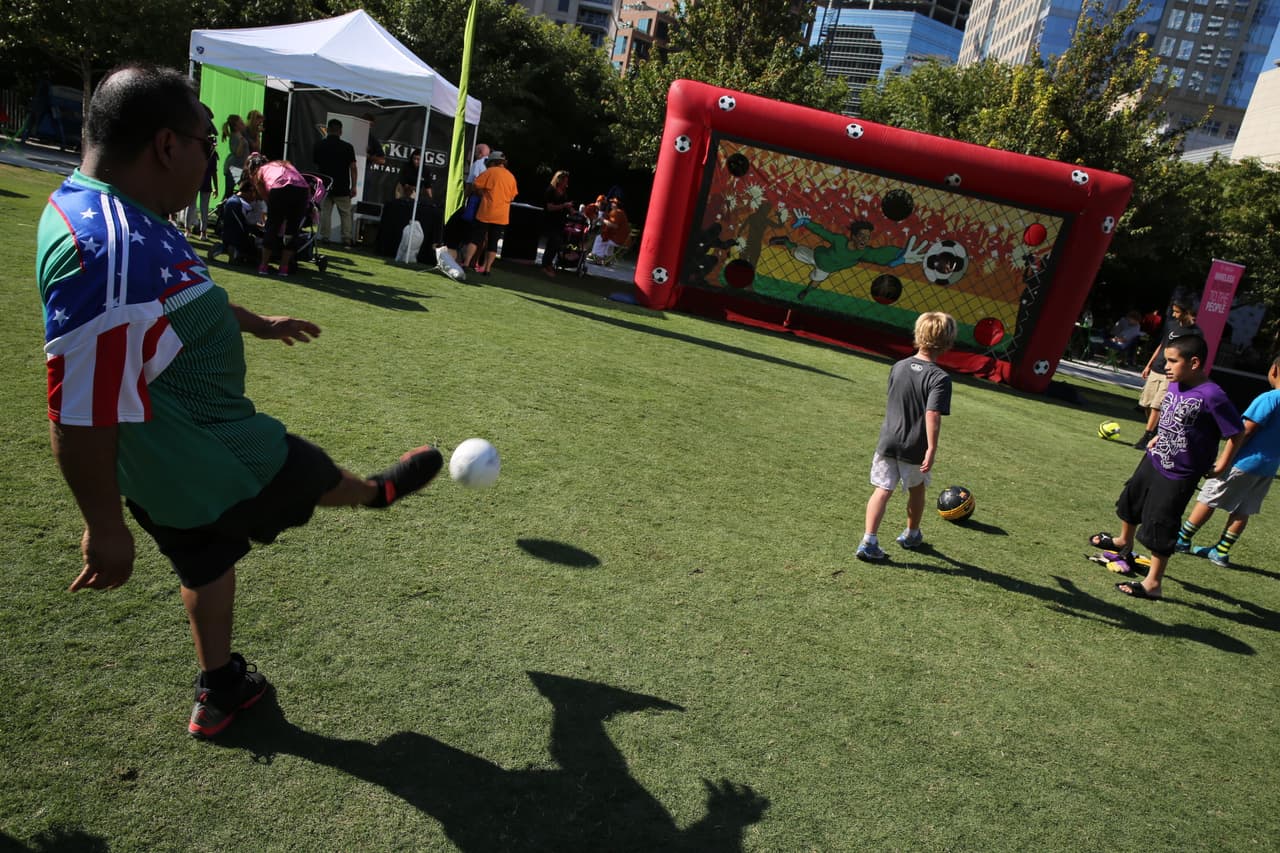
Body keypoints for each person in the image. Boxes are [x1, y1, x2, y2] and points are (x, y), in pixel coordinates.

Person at [37, 64, 443, 739]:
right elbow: (78, 411)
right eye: (207, 142)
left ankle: (220, 687)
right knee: (306, 469)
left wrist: (256, 323)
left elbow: (171, 302)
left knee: (206, 559)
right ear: (167, 145)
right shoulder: (112, 251)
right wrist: (102, 526)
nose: (212, 157)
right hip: (214, 451)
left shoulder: (105, 209)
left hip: (163, 472)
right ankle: (378, 494)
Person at [1091, 333, 1243, 599]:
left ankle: (1153, 583)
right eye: (1166, 360)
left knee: (1161, 521)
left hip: (1180, 472)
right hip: (1155, 458)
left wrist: (1221, 465)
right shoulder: (1175, 383)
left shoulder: (1213, 395)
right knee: (1131, 499)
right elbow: (1173, 416)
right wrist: (1159, 436)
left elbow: (1236, 432)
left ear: (1194, 363)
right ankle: (1123, 541)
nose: (1166, 366)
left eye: (1173, 361)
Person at [856, 312, 957, 562]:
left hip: (887, 441)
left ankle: (868, 540)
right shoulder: (940, 378)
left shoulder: (898, 366)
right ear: (948, 342)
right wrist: (931, 448)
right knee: (917, 489)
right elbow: (932, 413)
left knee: (882, 489)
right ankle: (911, 534)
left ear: (918, 334)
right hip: (914, 445)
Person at [1175, 355, 1280, 567]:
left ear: (1275, 370)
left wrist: (1224, 458)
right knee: (1244, 508)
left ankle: (1182, 539)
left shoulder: (1269, 398)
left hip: (1243, 461)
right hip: (1269, 467)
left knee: (1209, 497)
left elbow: (1246, 431)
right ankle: (1221, 551)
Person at [1134, 299, 1198, 450]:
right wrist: (1149, 365)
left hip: (1171, 372)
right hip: (1157, 368)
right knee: (1146, 404)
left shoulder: (1194, 333)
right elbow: (1161, 346)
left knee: (1157, 405)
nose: (1174, 315)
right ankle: (1156, 430)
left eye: (1177, 312)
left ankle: (1147, 435)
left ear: (1186, 313)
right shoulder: (1171, 325)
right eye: (1174, 311)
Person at [244, 152, 311, 276]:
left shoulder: (260, 172)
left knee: (272, 228)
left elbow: (266, 199)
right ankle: (284, 268)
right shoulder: (283, 164)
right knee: (292, 230)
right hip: (302, 190)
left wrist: (275, 213)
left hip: (280, 188)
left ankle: (263, 266)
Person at [459, 149, 518, 275]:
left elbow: (475, 185)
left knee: (476, 239)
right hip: (502, 215)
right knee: (493, 242)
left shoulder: (490, 172)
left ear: (492, 162)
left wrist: (482, 193)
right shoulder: (511, 176)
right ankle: (487, 269)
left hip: (486, 212)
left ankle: (466, 263)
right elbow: (513, 196)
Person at [312, 118, 358, 247]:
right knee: (345, 213)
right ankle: (346, 238)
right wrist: (354, 186)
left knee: (325, 212)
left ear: (327, 130)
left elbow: (316, 164)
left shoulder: (319, 145)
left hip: (325, 185)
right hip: (342, 185)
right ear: (340, 131)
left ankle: (325, 237)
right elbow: (353, 167)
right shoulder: (348, 147)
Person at [541, 170, 572, 276]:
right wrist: (564, 205)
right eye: (565, 181)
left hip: (560, 222)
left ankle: (548, 264)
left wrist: (570, 209)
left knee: (556, 243)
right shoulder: (551, 191)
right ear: (559, 180)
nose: (566, 183)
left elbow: (564, 205)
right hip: (550, 221)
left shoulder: (564, 192)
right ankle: (545, 265)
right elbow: (549, 207)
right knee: (554, 241)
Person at [184, 143, 218, 239]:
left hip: (198, 182)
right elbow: (214, 172)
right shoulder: (210, 154)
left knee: (195, 207)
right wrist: (216, 187)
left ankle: (192, 230)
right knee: (201, 208)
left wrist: (216, 187)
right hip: (199, 182)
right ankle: (199, 232)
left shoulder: (197, 151)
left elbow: (213, 172)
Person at [590, 197, 631, 262]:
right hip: (622, 238)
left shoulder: (618, 212)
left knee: (599, 238)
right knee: (605, 239)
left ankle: (597, 257)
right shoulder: (618, 212)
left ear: (617, 205)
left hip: (619, 239)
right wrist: (602, 219)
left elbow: (614, 226)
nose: (611, 204)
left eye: (613, 203)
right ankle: (607, 260)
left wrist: (602, 220)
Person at [220, 114, 249, 200]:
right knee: (229, 192)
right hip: (234, 168)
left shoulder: (239, 134)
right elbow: (238, 153)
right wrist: (241, 143)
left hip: (239, 167)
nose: (243, 124)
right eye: (241, 123)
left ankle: (224, 206)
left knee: (234, 191)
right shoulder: (235, 137)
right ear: (236, 126)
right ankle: (223, 207)